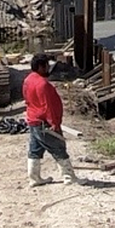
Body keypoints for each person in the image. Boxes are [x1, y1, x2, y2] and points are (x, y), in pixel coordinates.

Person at [23, 53, 77, 187]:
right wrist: (55, 124)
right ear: (41, 67)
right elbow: (49, 107)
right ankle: (69, 177)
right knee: (58, 148)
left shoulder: (28, 80)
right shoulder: (43, 84)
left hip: (33, 121)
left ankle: (34, 178)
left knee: (35, 150)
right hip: (44, 123)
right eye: (46, 66)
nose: (48, 68)